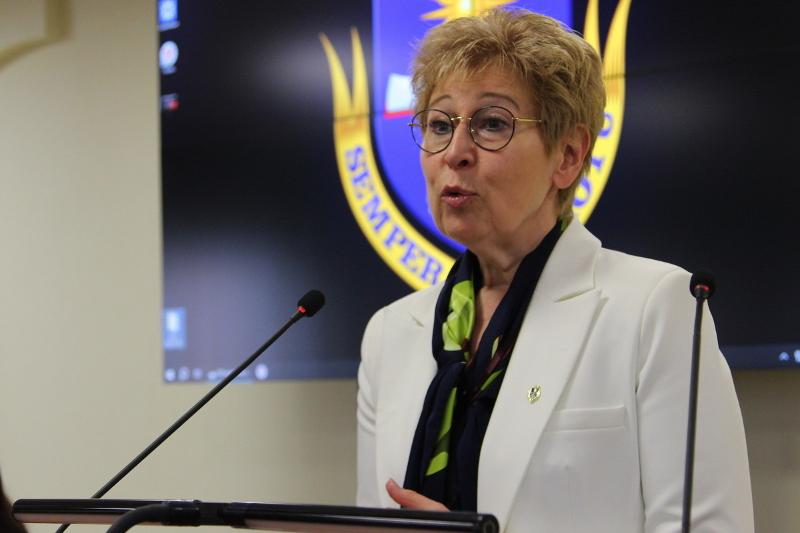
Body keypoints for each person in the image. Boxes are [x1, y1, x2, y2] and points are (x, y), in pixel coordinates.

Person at [356, 7, 753, 532]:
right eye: (439, 125)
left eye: (491, 123)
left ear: (567, 155)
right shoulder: (388, 334)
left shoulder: (656, 308)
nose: (455, 153)